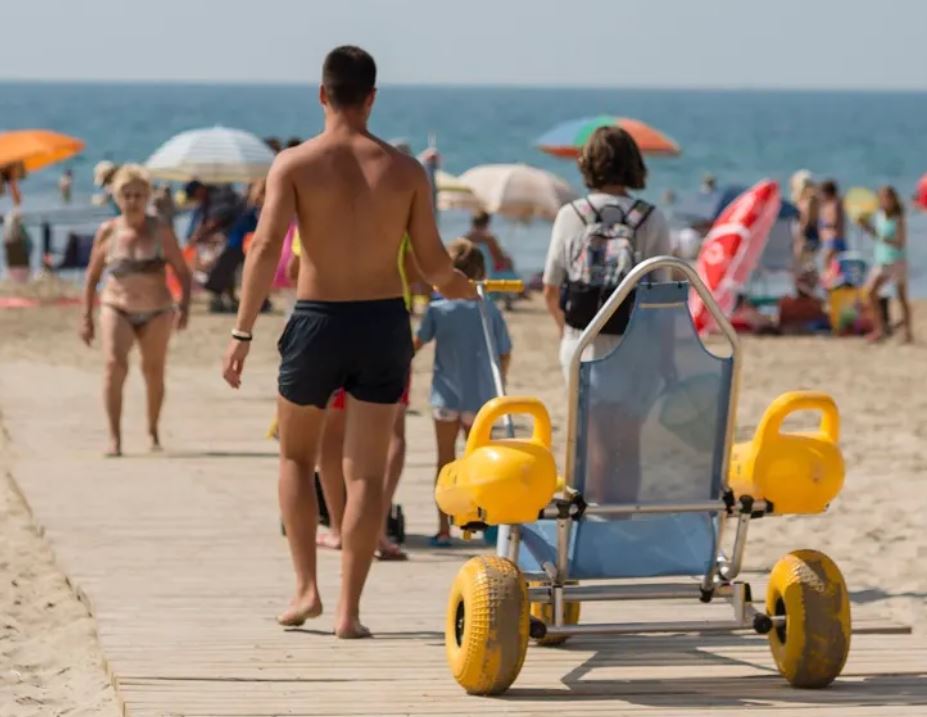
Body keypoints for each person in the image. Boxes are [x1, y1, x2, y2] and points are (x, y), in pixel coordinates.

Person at [221, 46, 472, 639]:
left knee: (296, 457)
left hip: (317, 321)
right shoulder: (407, 172)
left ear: (322, 94)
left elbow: (265, 249)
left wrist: (242, 331)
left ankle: (305, 588)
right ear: (372, 98)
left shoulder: (294, 163)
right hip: (383, 324)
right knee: (366, 474)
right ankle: (348, 612)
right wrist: (465, 289)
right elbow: (434, 265)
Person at [542, 126, 672, 380]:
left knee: (581, 407)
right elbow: (663, 295)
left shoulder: (570, 214)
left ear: (586, 164)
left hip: (580, 342)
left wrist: (565, 331)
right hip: (635, 342)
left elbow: (550, 290)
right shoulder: (652, 217)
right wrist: (666, 355)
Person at [80, 165, 191, 456]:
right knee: (113, 366)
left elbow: (182, 271)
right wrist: (86, 318)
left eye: (139, 195)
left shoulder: (160, 231)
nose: (132, 201)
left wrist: (185, 306)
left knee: (153, 370)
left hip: (157, 309)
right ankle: (114, 438)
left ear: (148, 196)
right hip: (116, 306)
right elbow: (92, 277)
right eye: (126, 195)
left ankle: (152, 429)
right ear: (117, 197)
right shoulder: (108, 232)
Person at [414, 238, 511, 546]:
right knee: (479, 461)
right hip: (479, 397)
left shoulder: (438, 309)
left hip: (446, 394)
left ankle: (443, 528)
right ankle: (481, 519)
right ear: (481, 273)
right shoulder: (487, 309)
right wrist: (500, 381)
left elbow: (416, 344)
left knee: (445, 461)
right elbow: (504, 352)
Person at [858, 186, 913, 343]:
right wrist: (865, 225)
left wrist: (878, 235)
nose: (885, 201)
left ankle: (907, 333)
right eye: (882, 198)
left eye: (888, 198)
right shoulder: (880, 215)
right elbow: (876, 234)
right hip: (882, 260)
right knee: (870, 292)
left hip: (896, 261)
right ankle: (880, 329)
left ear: (894, 200)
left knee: (901, 297)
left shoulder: (898, 218)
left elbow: (900, 243)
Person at [818, 179, 846, 278]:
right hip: (832, 241)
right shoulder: (829, 205)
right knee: (834, 269)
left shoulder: (835, 204)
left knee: (829, 268)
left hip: (834, 241)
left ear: (827, 193)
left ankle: (828, 285)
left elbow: (834, 222)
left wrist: (823, 224)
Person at [790, 170, 819, 265]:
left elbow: (807, 221)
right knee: (807, 264)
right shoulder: (810, 200)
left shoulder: (809, 201)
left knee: (802, 264)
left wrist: (801, 236)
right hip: (810, 235)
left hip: (807, 236)